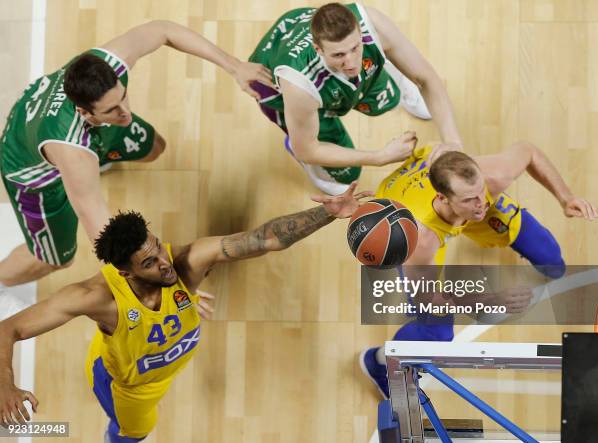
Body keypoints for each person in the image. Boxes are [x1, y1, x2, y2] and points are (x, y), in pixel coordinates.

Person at [0, 182, 371, 441]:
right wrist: (4, 384)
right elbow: (7, 329)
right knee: (134, 433)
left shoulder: (184, 262)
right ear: (125, 272)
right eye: (150, 262)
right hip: (129, 388)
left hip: (164, 357)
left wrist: (328, 214)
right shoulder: (96, 297)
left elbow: (263, 240)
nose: (164, 263)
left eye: (159, 247)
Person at [0, 20, 274, 300]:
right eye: (113, 108)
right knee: (54, 260)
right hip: (35, 176)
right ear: (85, 112)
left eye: (124, 97)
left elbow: (163, 29)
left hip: (85, 131)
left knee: (155, 147)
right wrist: (162, 283)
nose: (126, 113)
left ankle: (102, 149)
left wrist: (235, 66)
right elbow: (105, 232)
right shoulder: (74, 153)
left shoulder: (108, 65)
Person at [359, 136, 598, 398]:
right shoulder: (419, 240)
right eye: (470, 199)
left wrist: (566, 199)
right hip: (400, 216)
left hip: (440, 193)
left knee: (551, 258)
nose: (481, 205)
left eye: (480, 192)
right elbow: (433, 302)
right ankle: (379, 362)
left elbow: (529, 151)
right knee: (436, 331)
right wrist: (490, 299)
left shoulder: (489, 182)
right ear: (443, 198)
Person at [249, 2, 462, 195]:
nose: (351, 62)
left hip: (308, 47)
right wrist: (379, 157)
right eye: (339, 55)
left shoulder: (372, 22)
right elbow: (308, 150)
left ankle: (397, 76)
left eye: (355, 48)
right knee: (346, 177)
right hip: (280, 94)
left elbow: (425, 77)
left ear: (360, 31)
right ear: (318, 49)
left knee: (387, 99)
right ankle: (299, 147)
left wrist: (452, 141)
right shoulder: (298, 85)